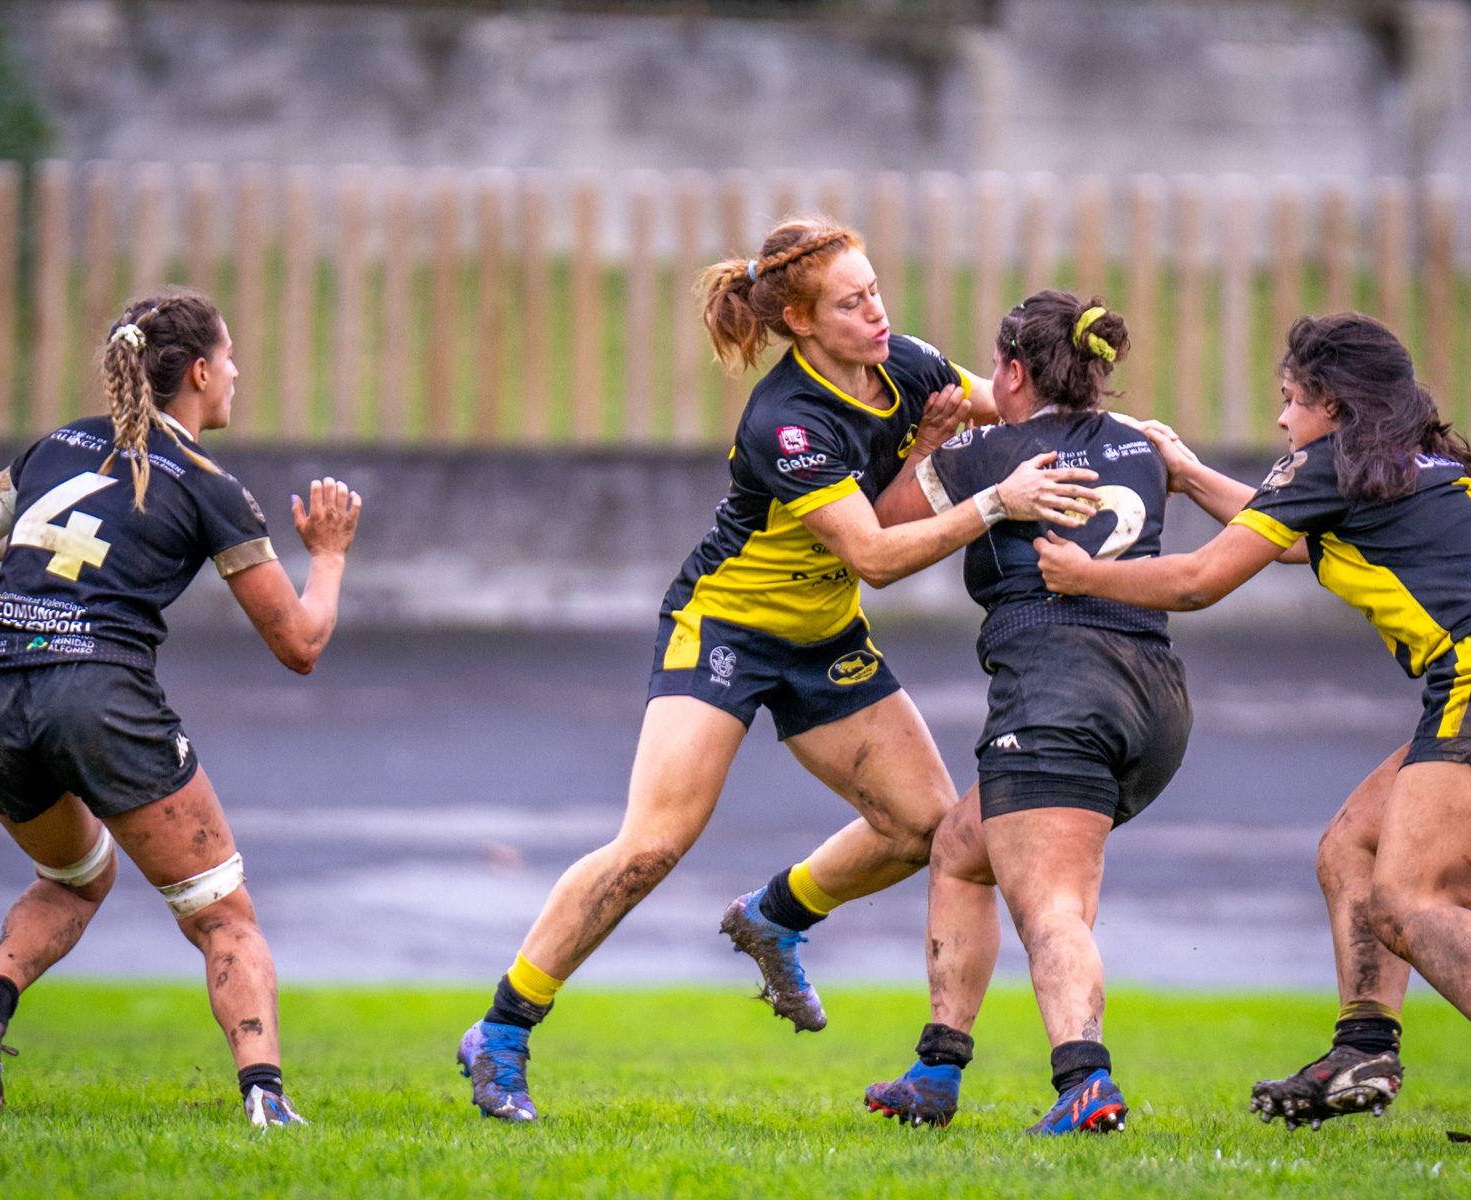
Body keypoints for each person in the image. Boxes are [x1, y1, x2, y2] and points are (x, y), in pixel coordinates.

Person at [456, 217, 1102, 1123]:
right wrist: (995, 500)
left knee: (926, 829)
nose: (877, 313)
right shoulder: (786, 421)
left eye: (875, 290)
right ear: (798, 320)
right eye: (851, 302)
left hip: (824, 637)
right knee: (652, 845)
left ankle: (774, 916)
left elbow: (1023, 413)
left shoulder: (906, 365)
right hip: (726, 626)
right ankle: (504, 1028)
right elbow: (875, 556)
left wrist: (1138, 441)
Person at [1033, 313, 1471, 1151]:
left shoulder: (1329, 463)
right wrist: (1194, 476)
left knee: (1410, 901)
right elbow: (1292, 541)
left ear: (1332, 405)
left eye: (1290, 400)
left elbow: (1203, 579)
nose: (1280, 420)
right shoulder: (1402, 460)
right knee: (1352, 850)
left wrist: (1089, 575)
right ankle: (1362, 1054)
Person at [0, 292, 362, 1129]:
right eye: (229, 359)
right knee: (223, 916)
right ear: (198, 373)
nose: (236, 373)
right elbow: (300, 643)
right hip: (97, 694)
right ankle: (265, 1098)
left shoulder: (56, 445)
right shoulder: (209, 485)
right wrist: (331, 556)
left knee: (76, 876)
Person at [856, 291, 1188, 1135]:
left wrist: (931, 445)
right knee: (963, 850)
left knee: (1051, 907)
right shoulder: (1143, 446)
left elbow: (884, 529)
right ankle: (937, 1066)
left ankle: (1085, 1081)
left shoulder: (989, 455)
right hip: (1152, 698)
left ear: (1010, 371)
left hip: (1057, 693)